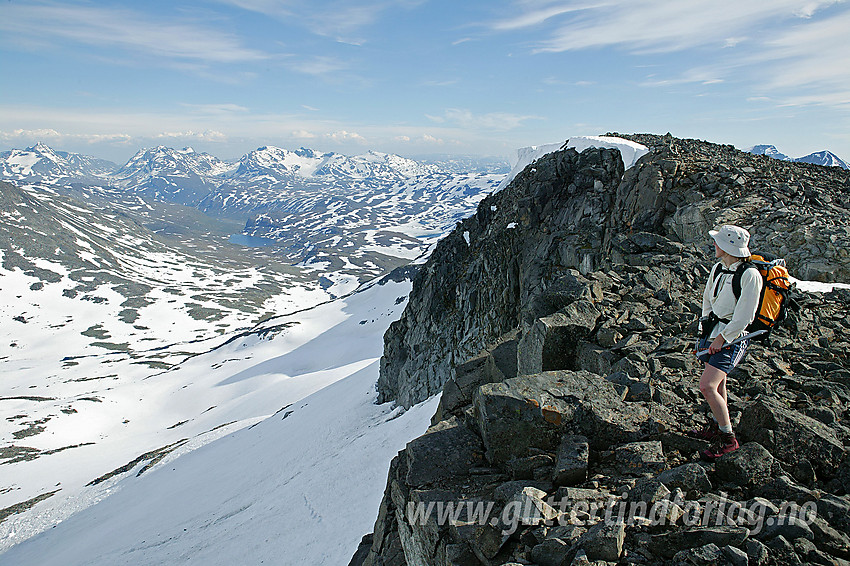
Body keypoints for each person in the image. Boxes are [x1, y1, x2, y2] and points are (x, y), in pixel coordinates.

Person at [689, 224, 762, 460]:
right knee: (719, 386)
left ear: (729, 245)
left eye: (717, 241)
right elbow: (707, 299)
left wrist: (722, 338)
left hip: (734, 338)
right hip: (714, 333)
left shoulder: (750, 275)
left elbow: (745, 317)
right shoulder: (719, 268)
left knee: (707, 386)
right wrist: (705, 333)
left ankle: (728, 439)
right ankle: (716, 426)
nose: (714, 245)